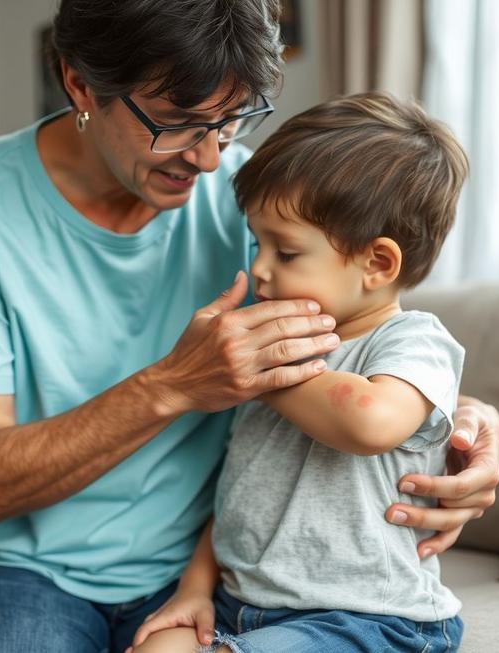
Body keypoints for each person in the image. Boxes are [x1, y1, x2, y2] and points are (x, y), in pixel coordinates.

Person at [0, 2, 499, 651]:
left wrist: (470, 422)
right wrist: (171, 385)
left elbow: (365, 342)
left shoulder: (259, 205)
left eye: (231, 119)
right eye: (178, 122)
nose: (211, 158)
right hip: (18, 569)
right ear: (79, 83)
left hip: (213, 570)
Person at [129, 92, 469, 653]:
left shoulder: (413, 341)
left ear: (377, 263)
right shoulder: (274, 350)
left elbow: (371, 424)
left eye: (285, 253)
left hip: (367, 618)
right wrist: (195, 589)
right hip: (241, 605)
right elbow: (242, 494)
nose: (258, 268)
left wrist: (255, 371)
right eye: (256, 243)